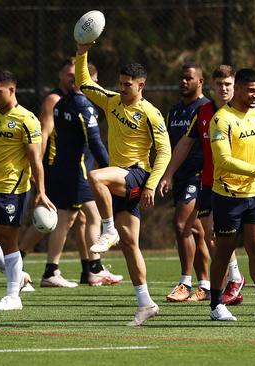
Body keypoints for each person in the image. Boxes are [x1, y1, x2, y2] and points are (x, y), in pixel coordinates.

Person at [75, 42, 171, 326]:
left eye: (127, 85)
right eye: (119, 83)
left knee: (95, 176)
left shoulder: (151, 113)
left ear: (141, 86)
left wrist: (152, 185)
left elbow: (164, 151)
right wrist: (82, 52)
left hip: (137, 174)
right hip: (119, 178)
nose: (121, 88)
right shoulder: (111, 101)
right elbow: (83, 83)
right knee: (131, 245)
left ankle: (107, 230)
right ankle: (146, 303)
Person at [18, 60, 121, 287]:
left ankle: (87, 269)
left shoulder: (69, 102)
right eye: (68, 75)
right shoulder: (59, 101)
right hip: (67, 169)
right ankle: (78, 268)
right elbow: (44, 135)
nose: (71, 79)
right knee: (76, 218)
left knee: (72, 218)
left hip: (70, 168)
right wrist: (38, 171)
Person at [159, 65, 246, 305]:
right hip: (203, 180)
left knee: (186, 226)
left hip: (221, 181)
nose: (224, 89)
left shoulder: (244, 113)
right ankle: (223, 282)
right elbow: (182, 144)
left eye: (228, 85)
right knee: (208, 234)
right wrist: (167, 174)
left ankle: (190, 283)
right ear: (212, 85)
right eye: (220, 84)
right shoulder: (196, 112)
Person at [0, 70, 55, 311]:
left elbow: (35, 160)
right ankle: (19, 277)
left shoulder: (27, 119)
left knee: (8, 237)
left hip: (13, 189)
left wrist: (41, 191)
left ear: (11, 90)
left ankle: (12, 296)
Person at [207, 68, 255, 322]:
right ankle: (216, 305)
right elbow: (223, 160)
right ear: (237, 89)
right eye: (251, 90)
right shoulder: (222, 119)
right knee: (224, 251)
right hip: (227, 196)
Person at [158, 64, 211, 302]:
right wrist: (166, 173)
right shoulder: (175, 111)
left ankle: (185, 283)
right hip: (180, 177)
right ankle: (206, 285)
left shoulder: (206, 108)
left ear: (200, 81)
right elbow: (170, 147)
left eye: (189, 78)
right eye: (181, 78)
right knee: (197, 231)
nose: (183, 82)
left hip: (197, 176)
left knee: (181, 225)